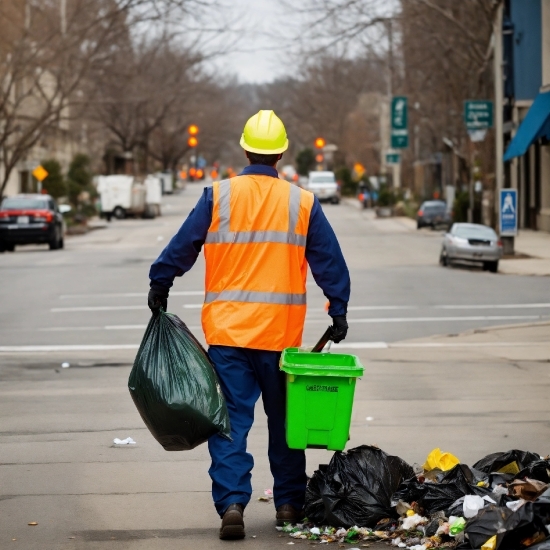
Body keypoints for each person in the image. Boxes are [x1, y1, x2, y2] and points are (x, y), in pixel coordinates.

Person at [148, 110, 350, 540]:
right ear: (280, 152)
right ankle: (290, 504)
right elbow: (328, 261)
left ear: (244, 149)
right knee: (284, 426)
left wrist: (160, 280)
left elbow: (183, 245)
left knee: (231, 423)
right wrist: (339, 308)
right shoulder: (302, 202)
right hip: (280, 339)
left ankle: (233, 504)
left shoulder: (217, 196)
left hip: (229, 336)